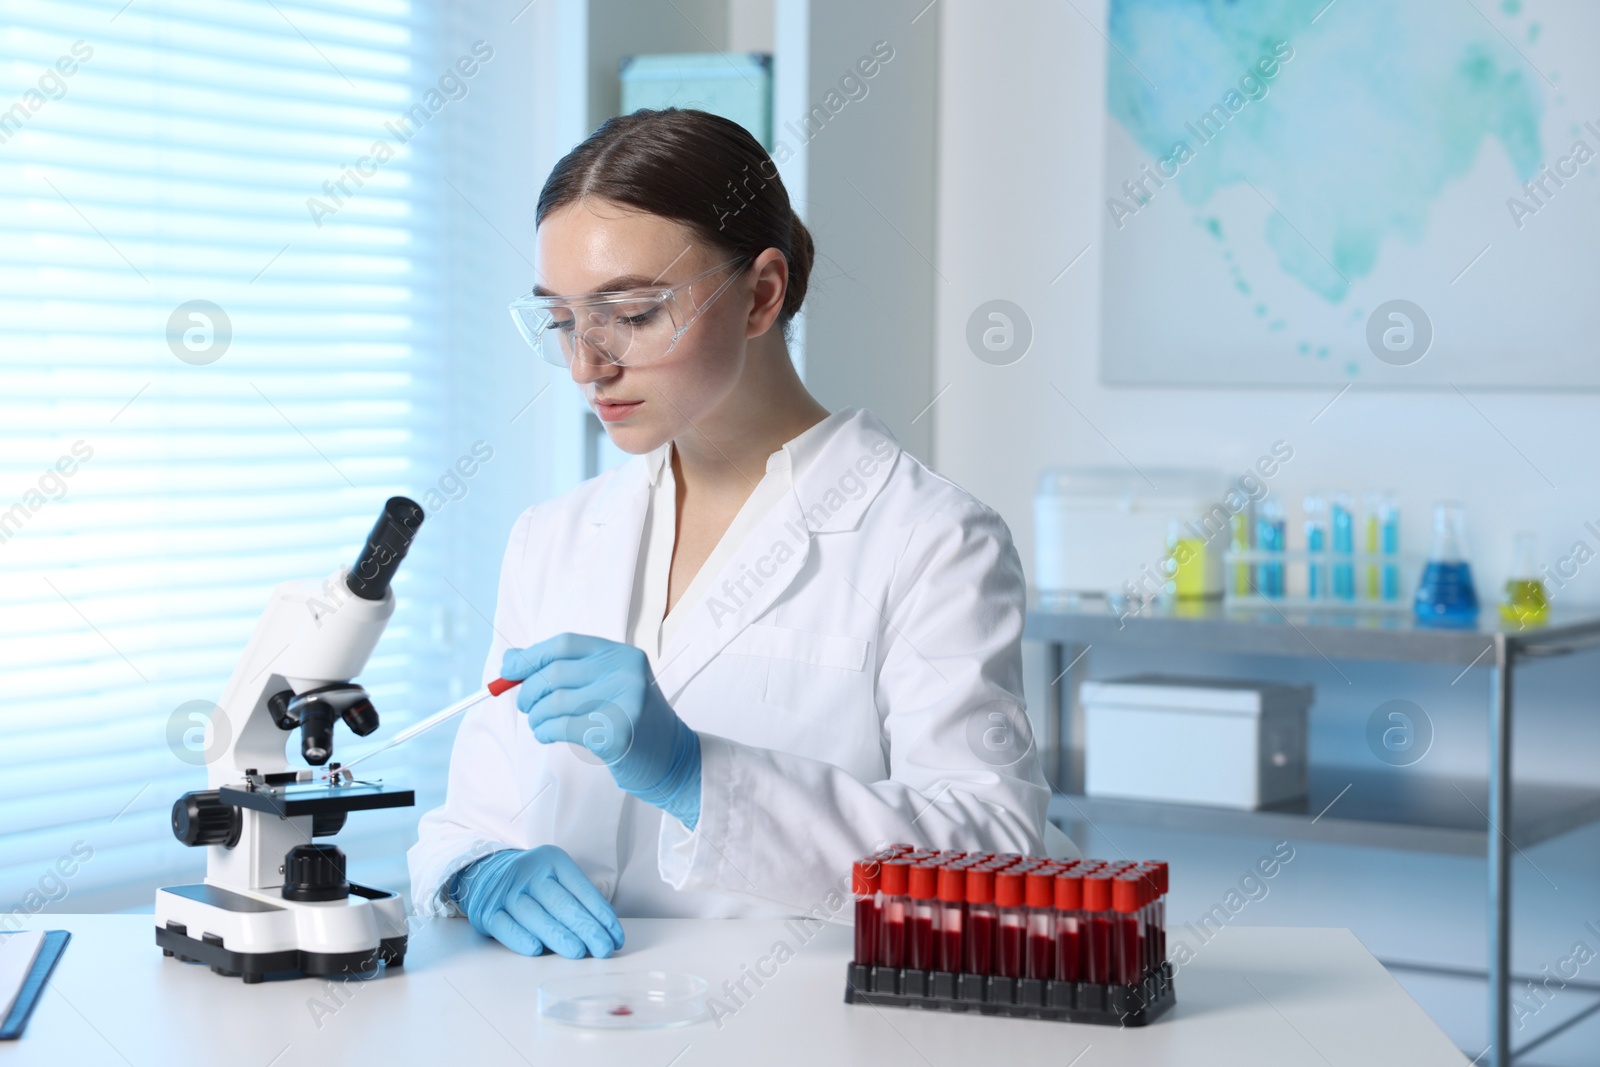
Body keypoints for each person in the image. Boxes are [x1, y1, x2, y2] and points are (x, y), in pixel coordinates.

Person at [407, 108, 1061, 959]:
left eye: (632, 313)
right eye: (563, 320)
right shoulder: (553, 537)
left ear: (761, 294)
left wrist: (698, 776)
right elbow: (470, 816)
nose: (586, 365)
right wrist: (481, 868)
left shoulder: (932, 540)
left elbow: (998, 859)